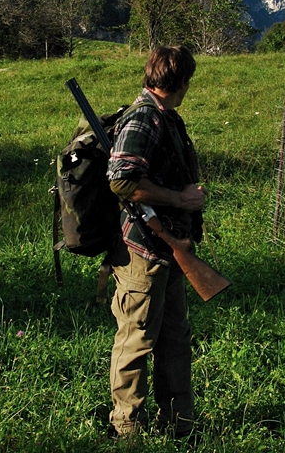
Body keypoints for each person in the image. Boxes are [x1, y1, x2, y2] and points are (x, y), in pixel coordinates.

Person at [106, 45, 205, 439]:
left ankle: (179, 425)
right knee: (136, 340)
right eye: (187, 82)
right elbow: (121, 180)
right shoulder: (143, 119)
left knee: (174, 338)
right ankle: (127, 431)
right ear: (179, 81)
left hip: (170, 249)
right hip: (143, 251)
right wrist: (180, 199)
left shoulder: (165, 116)